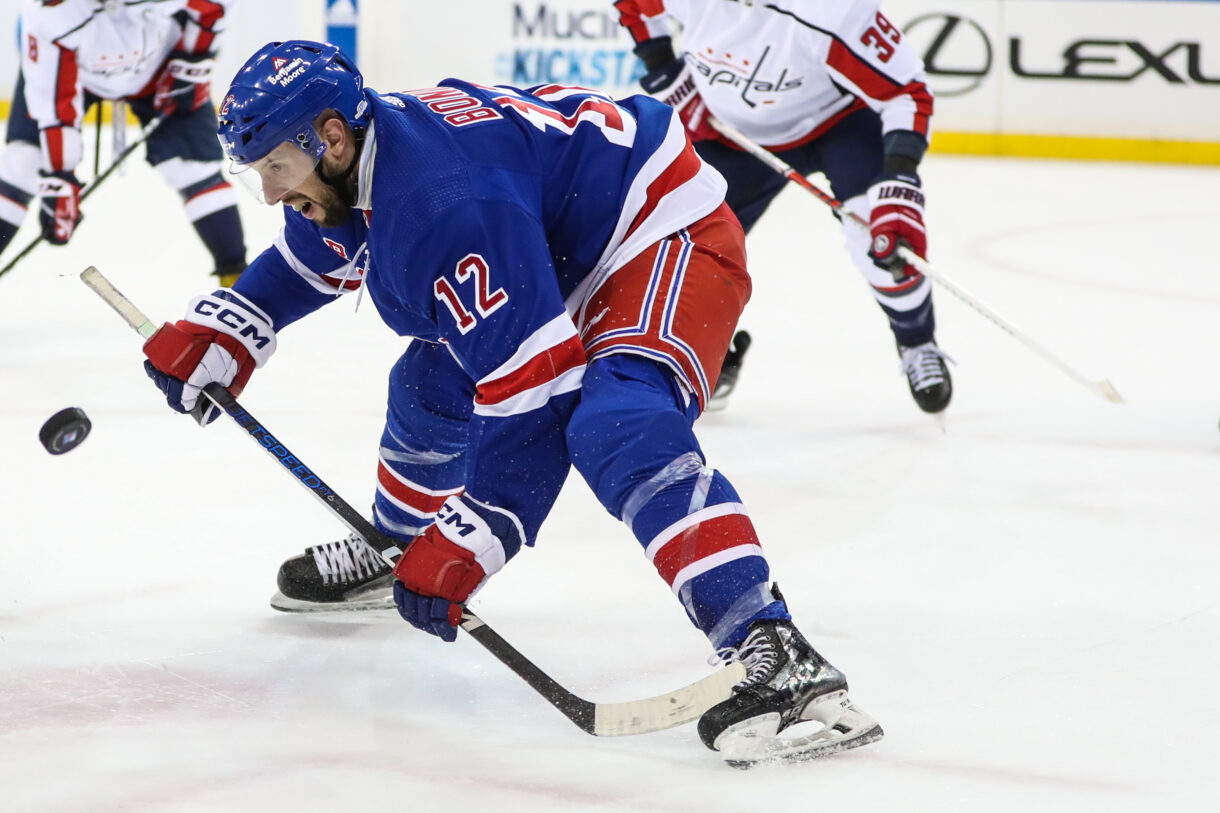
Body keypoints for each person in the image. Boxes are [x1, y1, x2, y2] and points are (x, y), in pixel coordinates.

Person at [140, 39, 883, 762]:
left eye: (278, 166)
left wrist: (472, 539)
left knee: (616, 421)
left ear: (332, 137)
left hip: (661, 233)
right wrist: (235, 322)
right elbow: (323, 246)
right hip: (558, 239)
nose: (270, 192)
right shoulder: (367, 151)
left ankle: (772, 645)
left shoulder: (443, 203)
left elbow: (535, 394)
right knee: (429, 381)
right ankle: (396, 542)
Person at [614, 0, 952, 413]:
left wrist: (898, 178)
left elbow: (906, 91)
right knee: (685, 247)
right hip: (732, 136)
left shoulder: (834, 12)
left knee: (878, 236)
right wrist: (666, 71)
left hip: (839, 124)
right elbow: (635, 6)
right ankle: (697, 355)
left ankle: (917, 341)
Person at [0, 0, 246, 285]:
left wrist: (194, 57)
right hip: (75, 76)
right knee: (23, 165)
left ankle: (238, 280)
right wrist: (59, 176)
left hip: (161, 66)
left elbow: (215, 4)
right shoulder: (50, 14)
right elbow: (54, 106)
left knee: (193, 169)